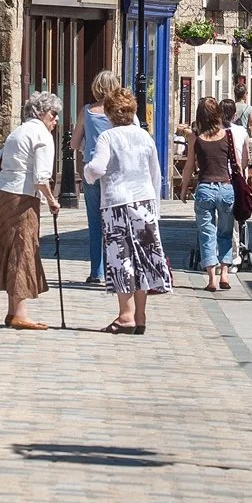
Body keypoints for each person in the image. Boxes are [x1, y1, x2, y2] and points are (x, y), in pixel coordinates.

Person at [83, 87, 170, 333]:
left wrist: (88, 174)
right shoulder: (145, 137)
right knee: (142, 258)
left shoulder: (108, 137)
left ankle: (125, 315)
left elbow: (98, 168)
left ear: (110, 113)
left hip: (116, 202)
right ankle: (140, 316)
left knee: (121, 258)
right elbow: (156, 174)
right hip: (144, 202)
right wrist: (156, 208)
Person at [0, 91, 61, 330]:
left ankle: (12, 310)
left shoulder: (18, 131)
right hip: (23, 196)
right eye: (53, 114)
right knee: (23, 248)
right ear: (40, 113)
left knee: (9, 247)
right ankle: (20, 313)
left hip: (4, 194)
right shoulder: (41, 135)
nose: (55, 119)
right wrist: (52, 201)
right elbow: (41, 177)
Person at [71, 70, 122, 285]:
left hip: (92, 170)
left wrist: (84, 145)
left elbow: (74, 143)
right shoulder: (119, 113)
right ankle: (115, 268)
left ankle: (96, 272)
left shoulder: (87, 111)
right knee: (115, 221)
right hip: (115, 171)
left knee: (95, 222)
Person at [180, 97, 235, 291]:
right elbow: (238, 163)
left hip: (204, 188)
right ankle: (225, 274)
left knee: (207, 234)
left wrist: (184, 188)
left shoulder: (196, 137)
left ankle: (211, 278)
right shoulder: (227, 135)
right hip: (226, 188)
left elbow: (188, 166)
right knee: (225, 232)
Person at [221, 97, 252, 273]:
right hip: (236, 179)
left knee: (219, 220)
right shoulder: (241, 131)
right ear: (234, 115)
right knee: (233, 220)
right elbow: (247, 157)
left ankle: (217, 257)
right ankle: (233, 256)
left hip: (218, 177)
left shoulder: (214, 131)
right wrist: (241, 172)